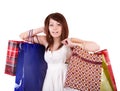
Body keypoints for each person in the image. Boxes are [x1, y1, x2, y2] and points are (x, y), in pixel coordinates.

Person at [19, 12, 100, 91]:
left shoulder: (69, 41)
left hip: (66, 81)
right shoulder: (45, 41)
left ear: (63, 27)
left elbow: (96, 47)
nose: (55, 28)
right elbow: (23, 36)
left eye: (58, 24)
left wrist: (74, 44)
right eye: (51, 25)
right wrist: (42, 29)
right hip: (49, 81)